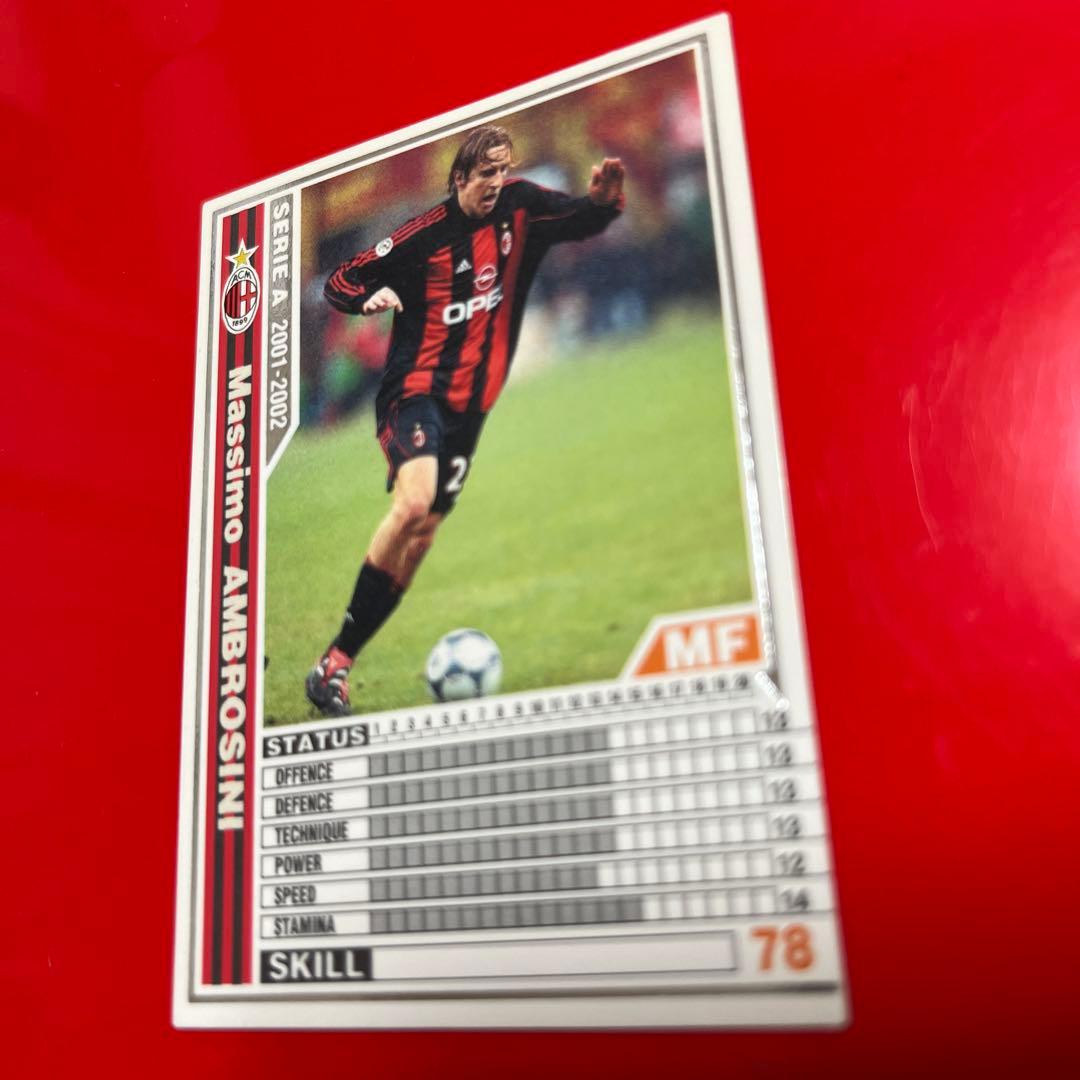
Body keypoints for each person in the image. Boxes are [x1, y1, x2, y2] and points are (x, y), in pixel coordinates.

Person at [306, 125, 625, 716]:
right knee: (413, 504)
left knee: (423, 534)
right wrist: (366, 300)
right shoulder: (422, 236)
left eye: (503, 170)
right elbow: (341, 281)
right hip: (414, 392)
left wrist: (604, 202)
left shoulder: (522, 208)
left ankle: (336, 662)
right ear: (459, 179)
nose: (497, 182)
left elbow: (579, 220)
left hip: (469, 409)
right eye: (486, 173)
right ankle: (334, 665)